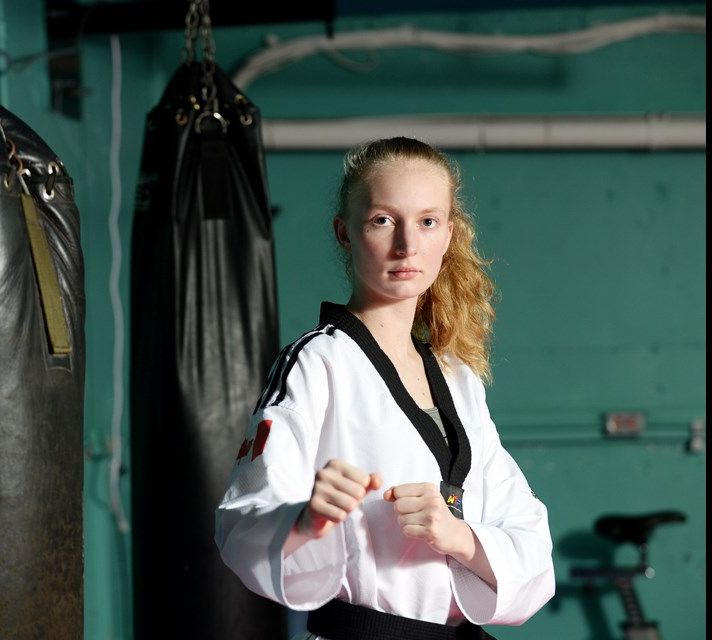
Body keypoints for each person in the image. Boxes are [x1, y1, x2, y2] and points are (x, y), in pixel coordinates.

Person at [214, 137, 555, 639]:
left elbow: (529, 541)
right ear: (345, 234)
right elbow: (242, 520)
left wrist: (457, 536)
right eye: (382, 220)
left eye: (427, 221)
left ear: (448, 235)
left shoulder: (457, 379)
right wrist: (306, 518)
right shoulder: (318, 362)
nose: (406, 245)